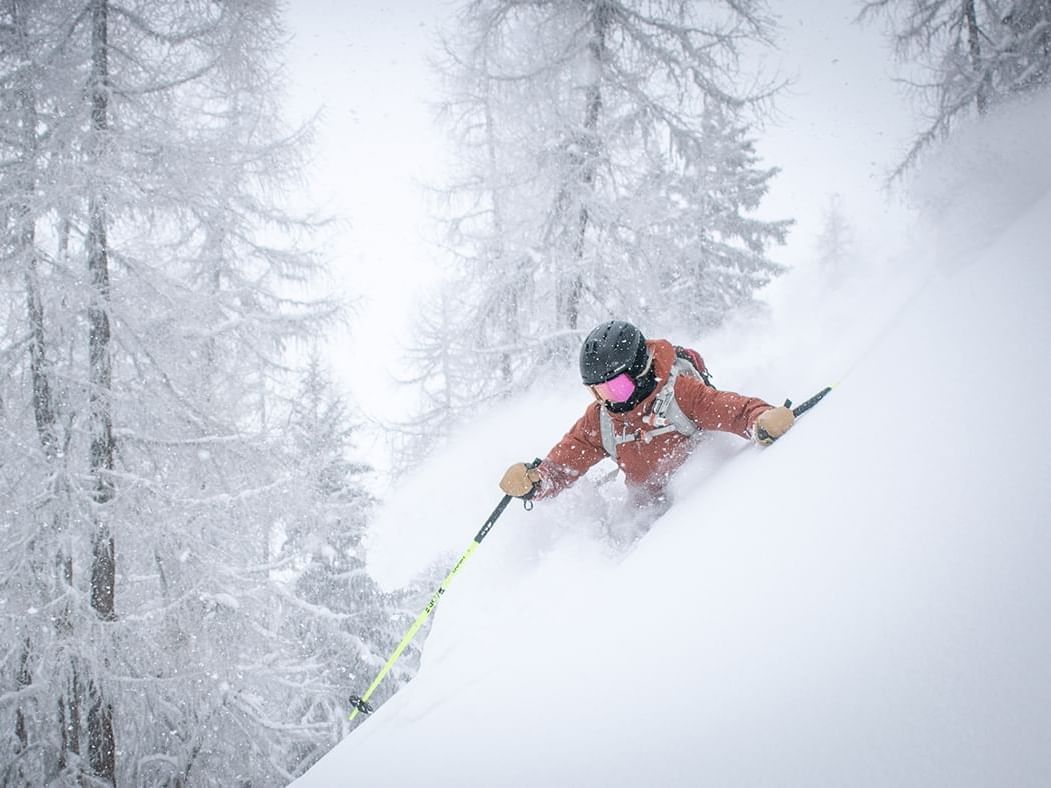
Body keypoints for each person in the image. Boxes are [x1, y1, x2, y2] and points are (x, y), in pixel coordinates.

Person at [499, 320, 794, 507]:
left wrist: (762, 418)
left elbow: (734, 410)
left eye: (616, 388)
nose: (609, 400)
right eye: (598, 392)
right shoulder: (602, 419)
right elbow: (562, 468)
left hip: (697, 504)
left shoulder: (680, 394)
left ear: (640, 371)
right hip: (644, 514)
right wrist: (535, 482)